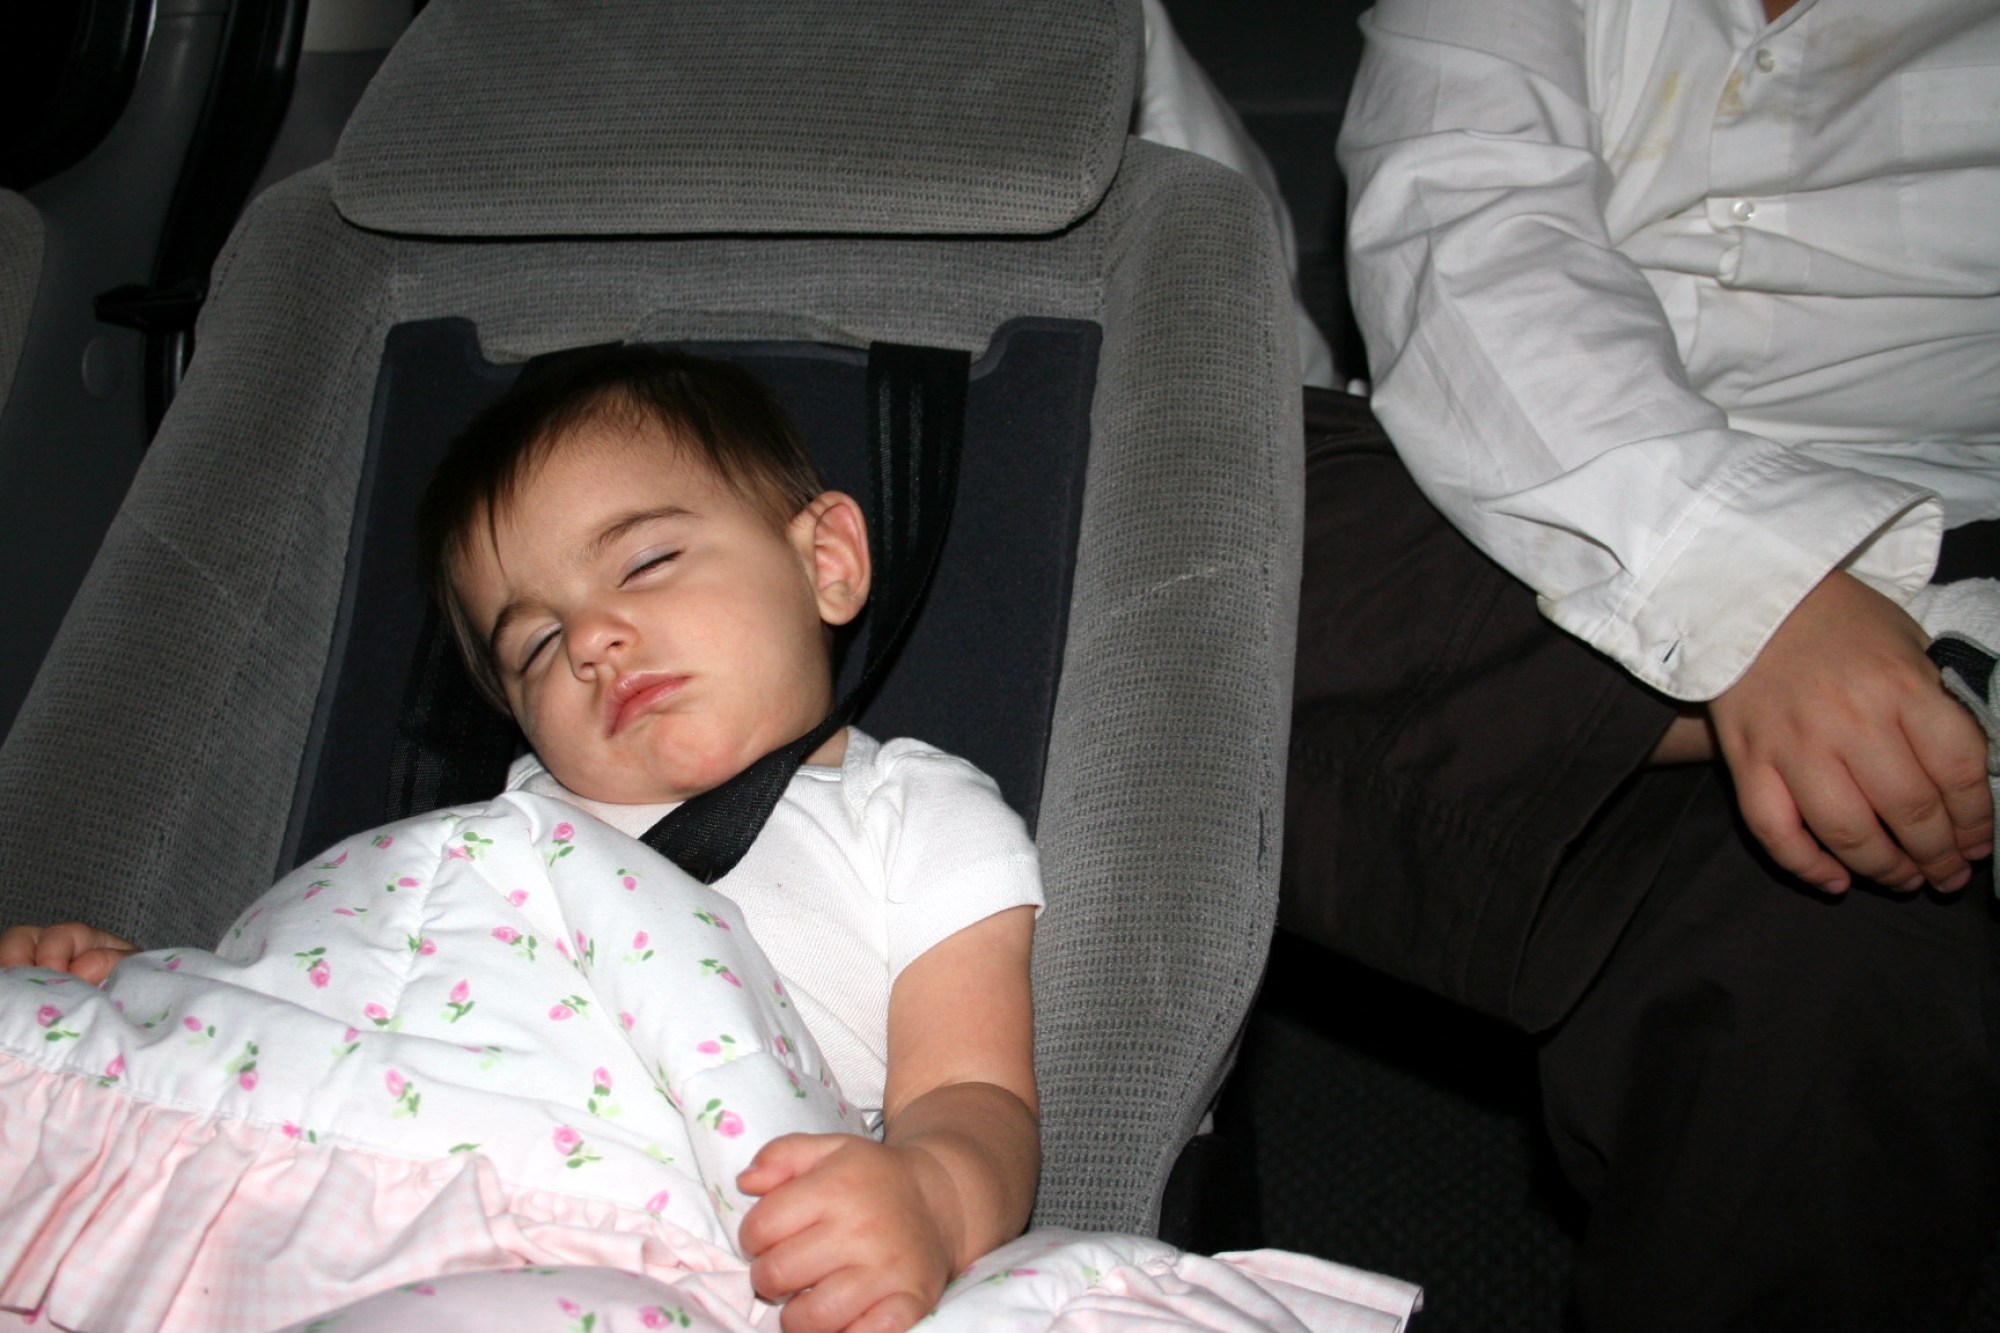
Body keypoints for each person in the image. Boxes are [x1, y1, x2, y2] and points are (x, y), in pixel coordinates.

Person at [0, 347, 1420, 1333]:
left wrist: (926, 1197)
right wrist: (154, 988)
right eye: (537, 642)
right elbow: (361, 988)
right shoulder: (511, 834)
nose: (595, 637)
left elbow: (973, 1092)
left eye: (646, 560)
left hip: (619, 1225)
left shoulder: (913, 814)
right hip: (345, 1163)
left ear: (826, 560)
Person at [1285, 0, 2000, 1328]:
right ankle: (1937, 685)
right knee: (1183, 490)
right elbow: (1465, 230)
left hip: (1923, 514)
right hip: (1471, 482)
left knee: (1831, 948)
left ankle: (1894, 699)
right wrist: (1763, 605)